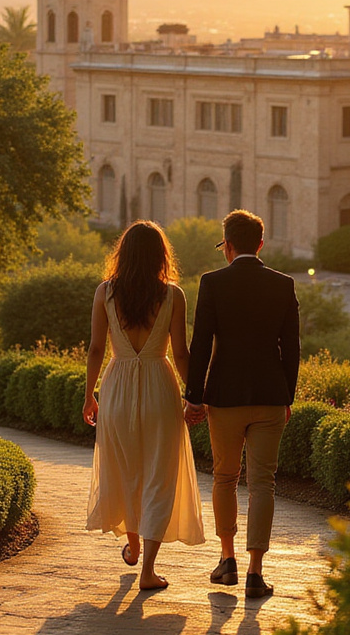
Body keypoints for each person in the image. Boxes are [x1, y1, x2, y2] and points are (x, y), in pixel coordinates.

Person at [184, 209, 300, 599]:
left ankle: (227, 559)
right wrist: (288, 395)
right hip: (270, 396)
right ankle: (255, 571)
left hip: (225, 397)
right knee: (262, 482)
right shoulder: (283, 284)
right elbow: (292, 348)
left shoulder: (212, 283)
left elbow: (200, 344)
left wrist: (194, 397)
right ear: (261, 245)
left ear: (228, 246)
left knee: (225, 477)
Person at [84, 220, 205, 590]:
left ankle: (132, 543)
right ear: (160, 256)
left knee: (125, 468)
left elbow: (95, 349)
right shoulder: (173, 295)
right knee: (158, 475)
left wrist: (89, 394)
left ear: (123, 253)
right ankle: (148, 570)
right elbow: (182, 353)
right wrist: (197, 395)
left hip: (117, 386)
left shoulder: (105, 292)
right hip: (159, 386)